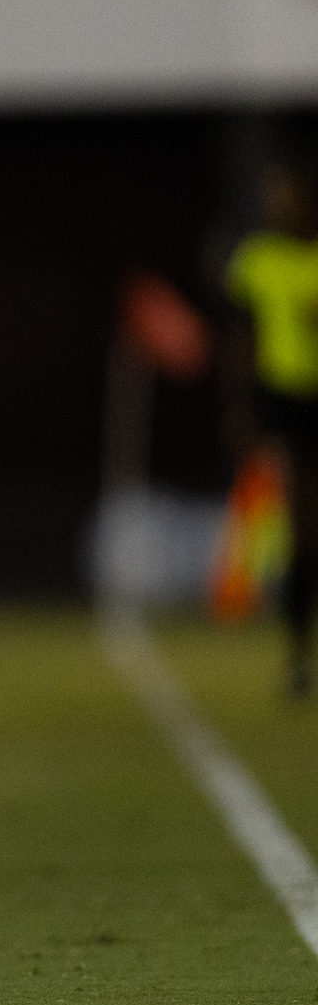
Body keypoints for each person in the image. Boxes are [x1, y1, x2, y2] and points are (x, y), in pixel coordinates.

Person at [224, 158, 318, 699]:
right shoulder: (257, 260)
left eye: (290, 194)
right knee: (300, 529)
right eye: (273, 195)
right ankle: (298, 657)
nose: (279, 204)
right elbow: (242, 341)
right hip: (286, 401)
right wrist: (241, 415)